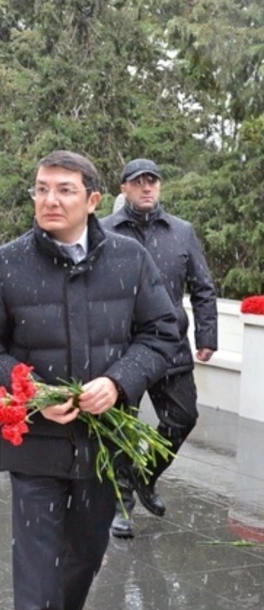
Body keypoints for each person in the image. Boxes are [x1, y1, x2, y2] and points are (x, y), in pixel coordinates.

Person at [0, 150, 178, 610]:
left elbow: (163, 333)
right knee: (36, 576)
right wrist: (28, 390)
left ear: (92, 199)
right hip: (36, 447)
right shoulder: (7, 264)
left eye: (63, 190)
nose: (49, 200)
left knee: (80, 564)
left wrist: (120, 382)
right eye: (40, 189)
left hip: (103, 446)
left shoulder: (129, 260)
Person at [101, 158, 218, 536]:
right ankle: (121, 502)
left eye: (153, 181)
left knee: (183, 418)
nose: (147, 187)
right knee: (121, 428)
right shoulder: (104, 231)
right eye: (138, 182)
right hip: (121, 349)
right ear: (124, 188)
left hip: (169, 345)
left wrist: (207, 337)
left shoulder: (181, 232)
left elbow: (203, 288)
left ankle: (145, 475)